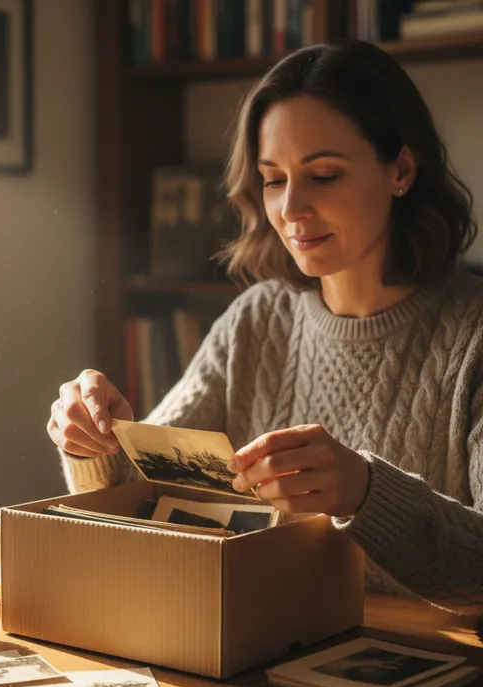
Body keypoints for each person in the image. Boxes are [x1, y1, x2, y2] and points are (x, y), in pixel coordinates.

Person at [46, 40, 483, 617]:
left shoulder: (471, 336)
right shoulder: (256, 320)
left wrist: (366, 491)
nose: (291, 209)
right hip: (269, 648)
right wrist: (94, 441)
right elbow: (135, 499)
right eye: (273, 179)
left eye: (324, 175)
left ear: (401, 169)